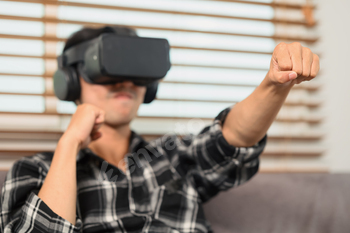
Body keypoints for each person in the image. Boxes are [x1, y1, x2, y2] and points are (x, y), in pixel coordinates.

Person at [0, 25, 319, 233]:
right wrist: (69, 144)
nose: (125, 82)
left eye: (135, 71)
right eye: (107, 70)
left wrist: (275, 83)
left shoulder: (173, 155)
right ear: (70, 82)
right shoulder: (34, 170)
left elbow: (232, 138)